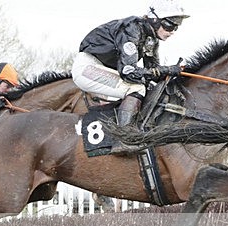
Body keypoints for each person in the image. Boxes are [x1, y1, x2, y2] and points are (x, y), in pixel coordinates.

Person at [71, 1, 189, 154]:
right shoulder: (132, 28)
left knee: (149, 87)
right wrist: (167, 69)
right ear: (154, 19)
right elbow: (128, 71)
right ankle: (124, 139)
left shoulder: (150, 39)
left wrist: (171, 74)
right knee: (136, 87)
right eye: (169, 25)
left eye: (176, 27)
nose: (172, 31)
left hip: (104, 69)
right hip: (87, 68)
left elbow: (153, 72)